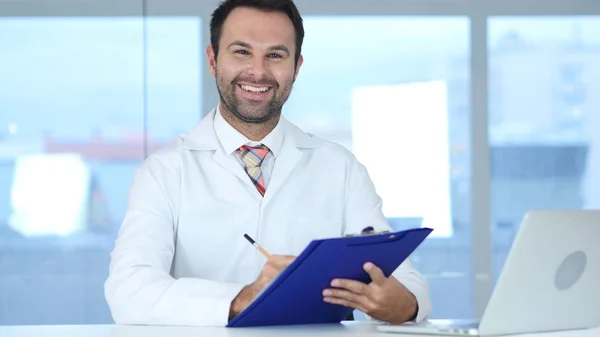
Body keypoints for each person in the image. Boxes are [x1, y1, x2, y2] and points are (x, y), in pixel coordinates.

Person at [104, 0, 432, 327]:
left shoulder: (340, 168)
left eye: (275, 55)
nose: (258, 71)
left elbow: (403, 279)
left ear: (297, 66)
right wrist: (243, 297)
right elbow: (129, 291)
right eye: (241, 52)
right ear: (213, 60)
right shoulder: (164, 172)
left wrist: (403, 306)